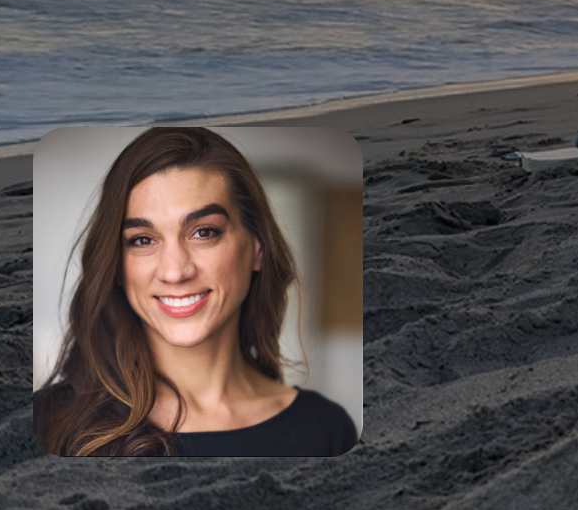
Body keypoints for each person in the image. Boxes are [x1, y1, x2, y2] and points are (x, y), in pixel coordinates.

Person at [34, 127, 356, 456]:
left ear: (258, 248)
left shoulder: (327, 429)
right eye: (143, 240)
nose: (175, 271)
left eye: (203, 232)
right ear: (117, 266)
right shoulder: (49, 421)